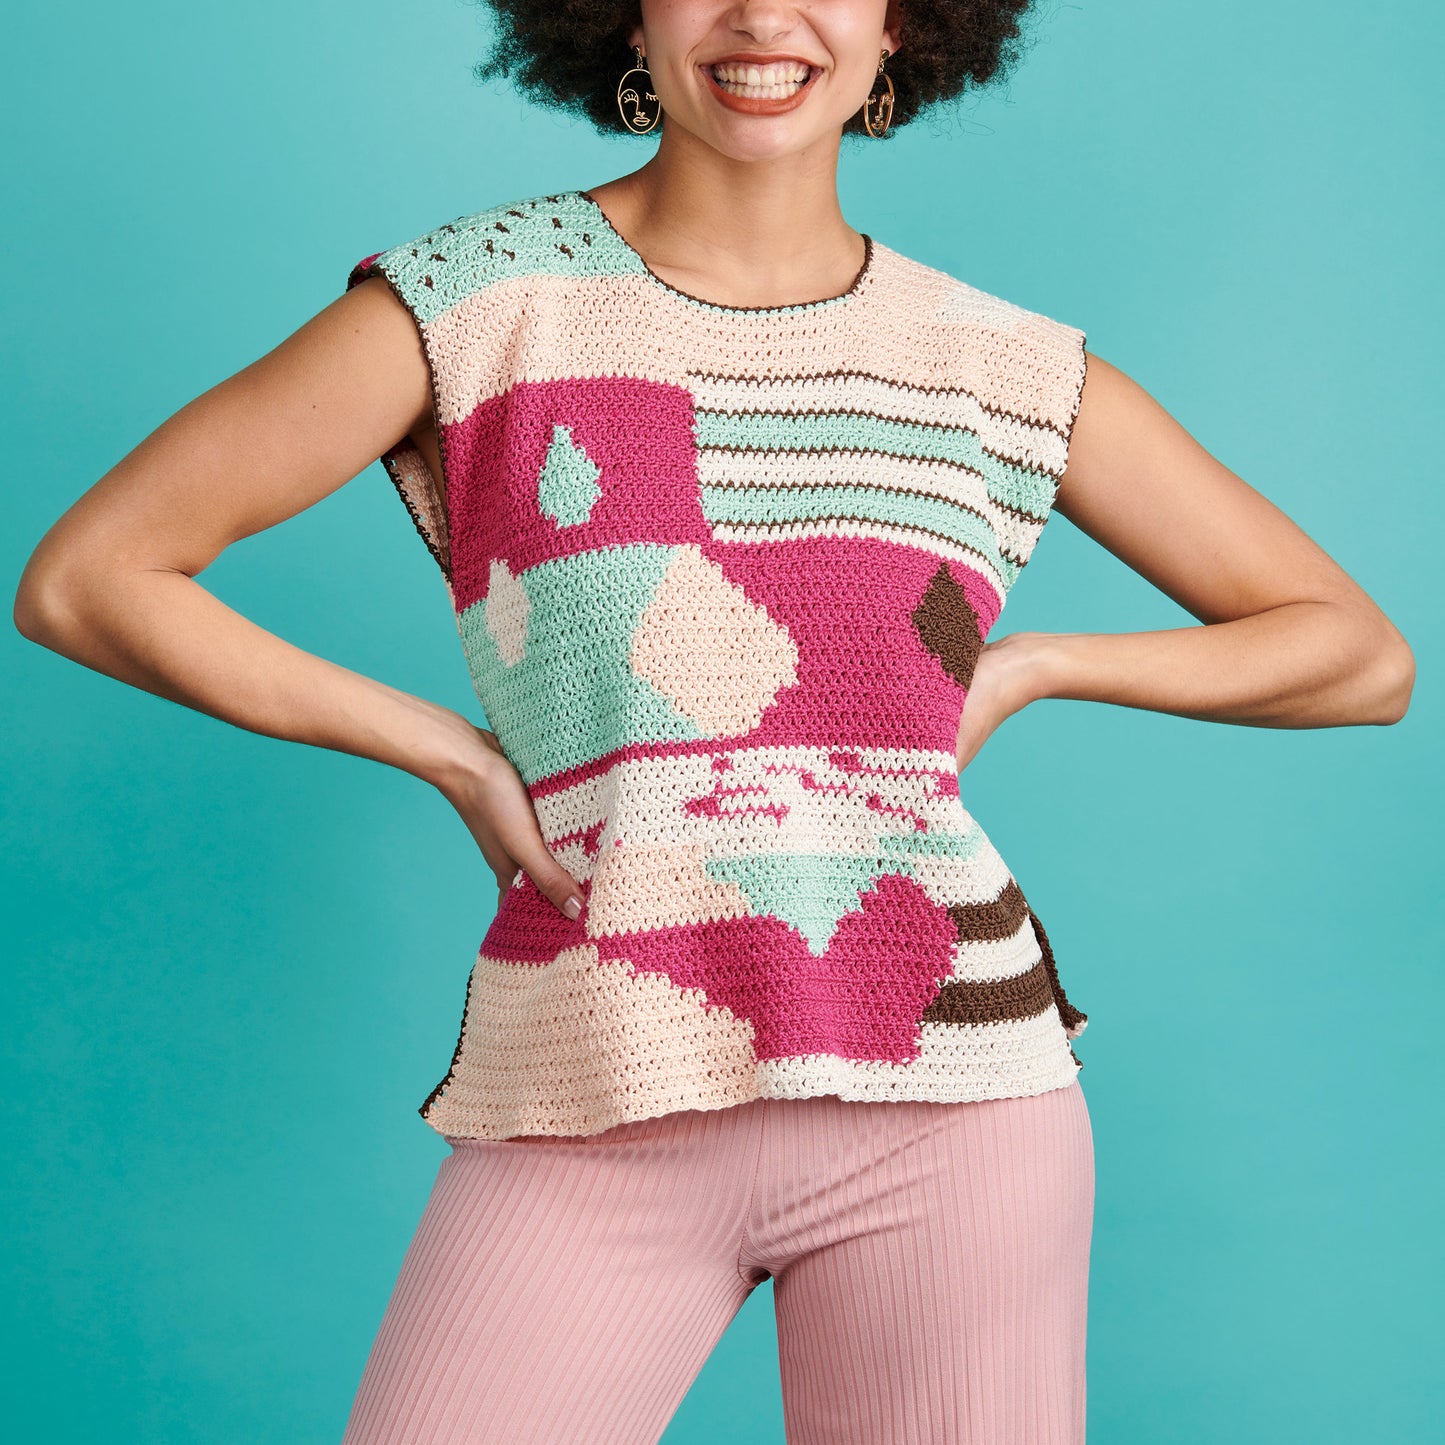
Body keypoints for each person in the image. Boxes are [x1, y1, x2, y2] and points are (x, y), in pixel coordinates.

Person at [12, 2, 1415, 1442]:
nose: (761, 16)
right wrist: (443, 751)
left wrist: (1033, 665)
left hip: (953, 1098)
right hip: (594, 1076)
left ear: (903, 24)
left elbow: (1357, 658)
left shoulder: (994, 361)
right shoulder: (481, 300)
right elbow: (86, 580)